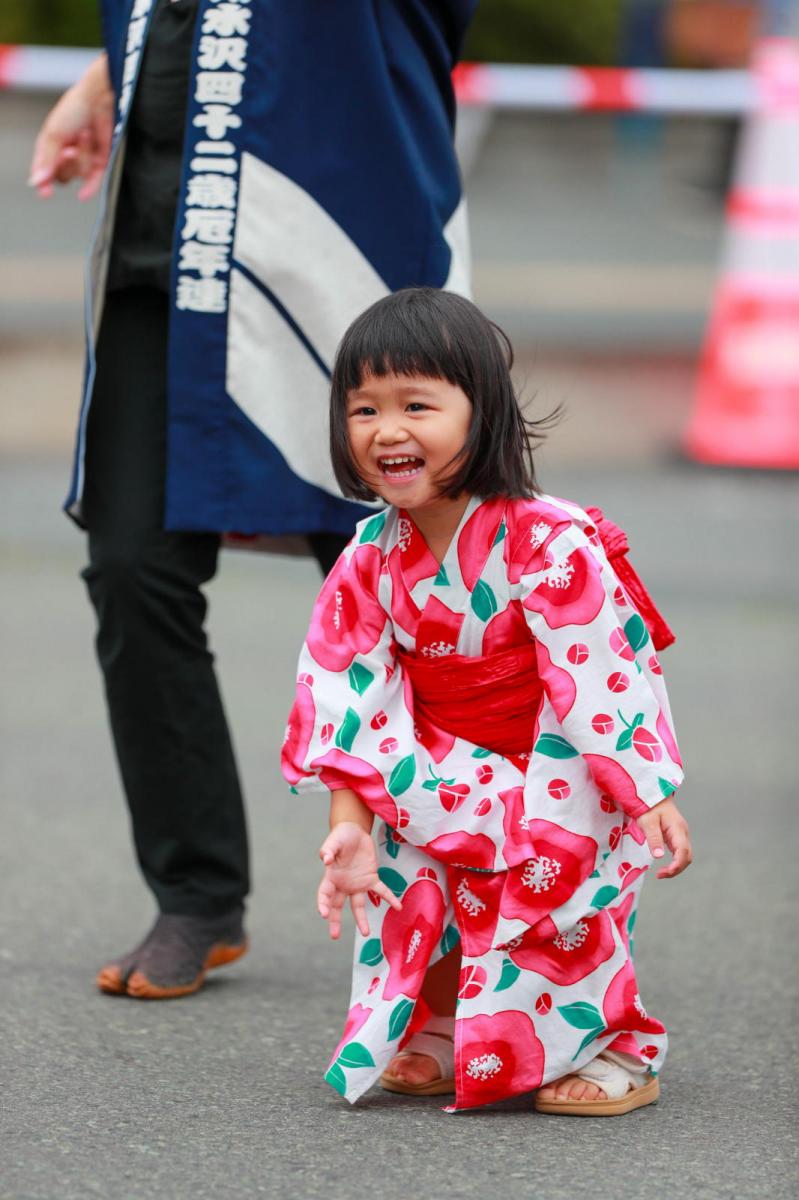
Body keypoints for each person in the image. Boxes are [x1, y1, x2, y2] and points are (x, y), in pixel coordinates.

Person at [29, 0, 475, 999]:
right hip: (166, 263)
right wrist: (105, 81)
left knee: (412, 592)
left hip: (342, 251)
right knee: (132, 567)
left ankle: (468, 892)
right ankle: (196, 894)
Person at [282, 287, 692, 1114]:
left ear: (484, 413)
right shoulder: (368, 555)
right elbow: (345, 690)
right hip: (437, 756)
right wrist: (348, 829)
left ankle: (621, 1047)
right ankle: (436, 1024)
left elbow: (596, 662)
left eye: (416, 404)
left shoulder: (547, 539)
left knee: (559, 898)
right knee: (411, 878)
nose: (386, 429)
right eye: (363, 408)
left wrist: (643, 787)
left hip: (559, 753)